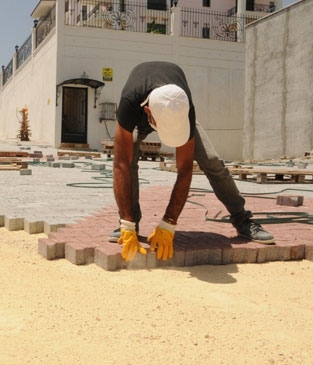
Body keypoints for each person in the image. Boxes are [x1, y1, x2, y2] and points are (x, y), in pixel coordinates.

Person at [110, 61, 274, 262]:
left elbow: (185, 169)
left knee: (212, 160)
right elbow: (121, 165)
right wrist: (126, 222)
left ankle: (243, 220)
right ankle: (129, 223)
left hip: (172, 112)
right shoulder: (130, 103)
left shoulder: (182, 105)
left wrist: (169, 222)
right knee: (129, 157)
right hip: (141, 111)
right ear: (148, 113)